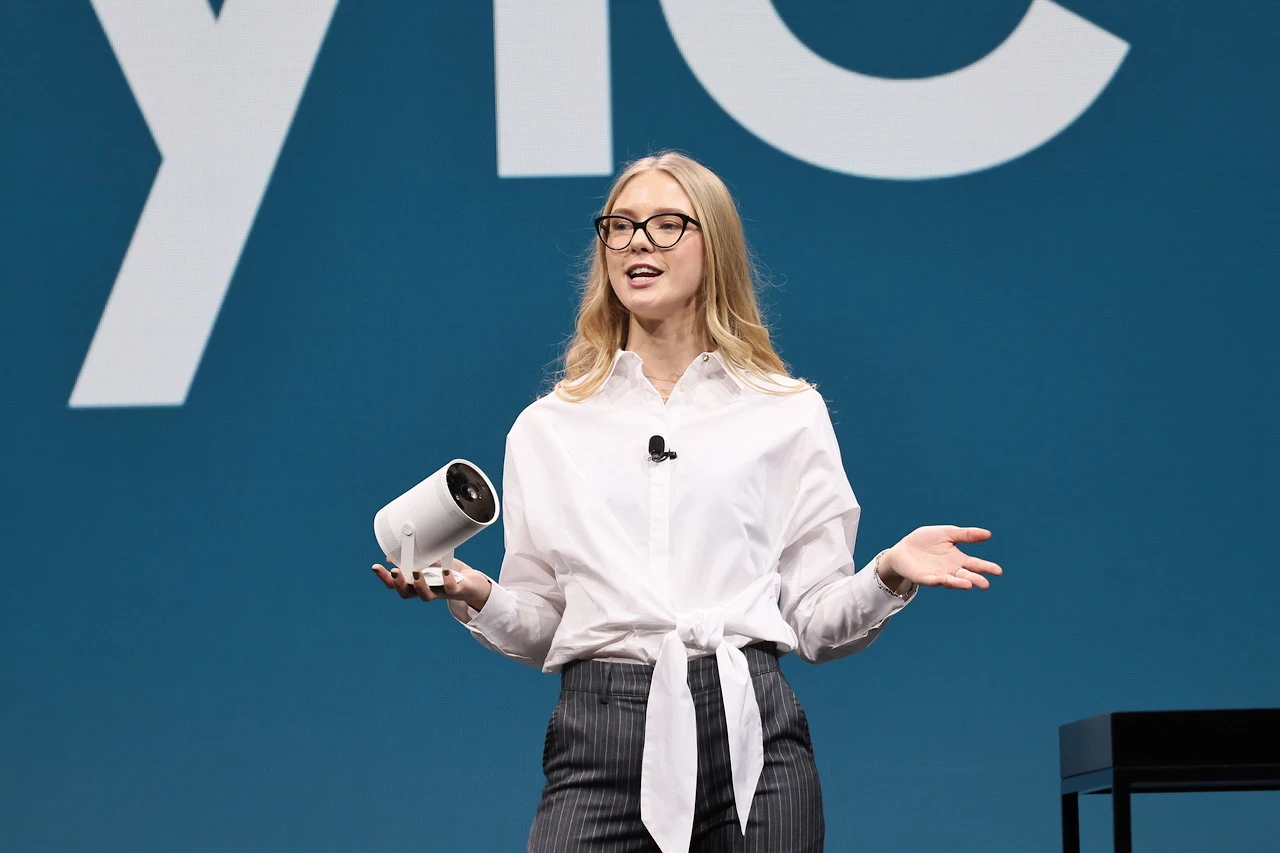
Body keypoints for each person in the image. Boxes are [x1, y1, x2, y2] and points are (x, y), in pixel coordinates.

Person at [373, 151, 1002, 852]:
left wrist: (886, 572)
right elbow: (549, 625)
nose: (638, 242)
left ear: (716, 246)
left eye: (668, 224)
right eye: (621, 225)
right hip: (599, 736)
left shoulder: (787, 412)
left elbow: (818, 625)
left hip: (750, 732)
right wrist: (474, 589)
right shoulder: (548, 427)